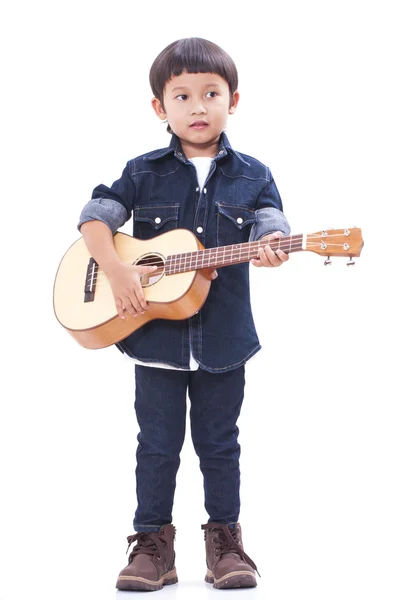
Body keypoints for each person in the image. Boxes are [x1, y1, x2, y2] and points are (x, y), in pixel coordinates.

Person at [78, 37, 290, 591]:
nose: (198, 107)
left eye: (211, 94)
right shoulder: (142, 171)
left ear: (233, 101)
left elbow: (273, 225)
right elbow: (95, 218)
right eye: (183, 96)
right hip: (154, 340)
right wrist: (120, 271)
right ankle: (152, 546)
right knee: (156, 444)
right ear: (160, 108)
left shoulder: (254, 174)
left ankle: (225, 544)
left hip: (224, 340)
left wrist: (273, 246)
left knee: (220, 443)